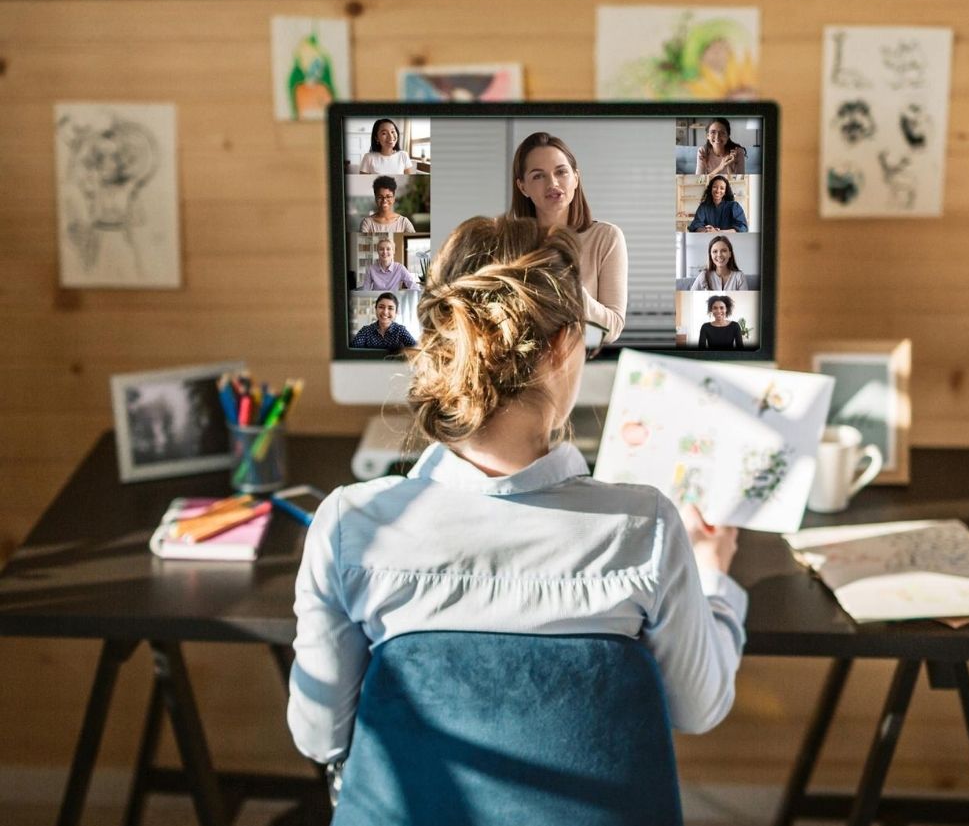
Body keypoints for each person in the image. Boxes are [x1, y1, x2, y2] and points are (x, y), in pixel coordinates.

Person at [290, 215, 746, 783]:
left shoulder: (347, 527)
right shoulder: (645, 528)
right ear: (562, 347)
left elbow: (319, 737)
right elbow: (699, 709)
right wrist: (714, 580)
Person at [509, 132, 627, 343]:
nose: (552, 183)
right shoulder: (507, 242)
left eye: (561, 172)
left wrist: (569, 286)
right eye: (538, 175)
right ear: (522, 187)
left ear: (576, 178)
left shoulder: (607, 237)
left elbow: (612, 329)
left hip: (579, 366)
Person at [348, 292, 417, 349]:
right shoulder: (366, 331)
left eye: (390, 308)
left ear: (396, 312)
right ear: (375, 309)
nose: (385, 312)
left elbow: (416, 350)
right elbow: (352, 350)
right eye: (381, 307)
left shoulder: (400, 330)